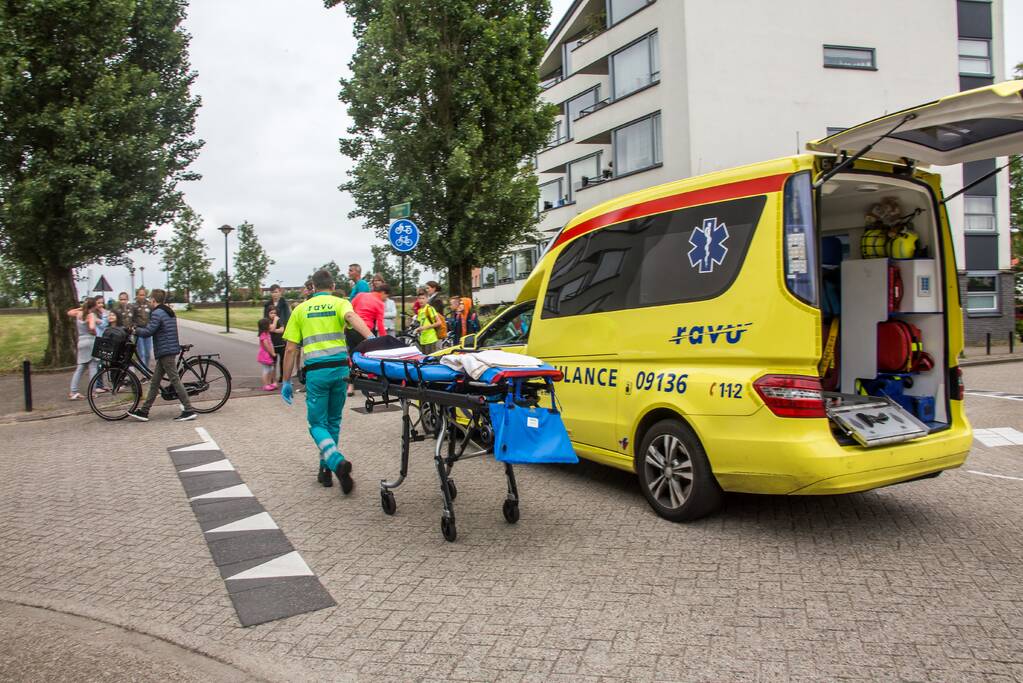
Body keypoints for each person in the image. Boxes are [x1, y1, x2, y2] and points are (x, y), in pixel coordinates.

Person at [280, 269, 373, 493]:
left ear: (312, 287)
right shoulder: (339, 303)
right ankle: (325, 470)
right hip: (341, 370)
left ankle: (335, 461)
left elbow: (291, 348)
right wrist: (372, 338)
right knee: (333, 421)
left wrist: (286, 380)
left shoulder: (300, 309)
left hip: (317, 373)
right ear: (332, 287)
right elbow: (352, 318)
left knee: (317, 425)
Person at [127, 289, 197, 422]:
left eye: (150, 299)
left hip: (166, 351)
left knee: (175, 380)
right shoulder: (167, 311)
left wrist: (135, 330)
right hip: (166, 350)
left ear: (153, 300)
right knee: (155, 382)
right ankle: (144, 411)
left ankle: (189, 410)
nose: (149, 302)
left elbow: (149, 331)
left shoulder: (157, 313)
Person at [348, 281, 387, 396]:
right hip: (365, 331)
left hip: (351, 329)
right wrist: (385, 340)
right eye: (386, 296)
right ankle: (370, 383)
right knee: (369, 356)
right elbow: (380, 324)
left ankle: (351, 386)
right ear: (383, 293)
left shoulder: (360, 295)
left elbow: (350, 308)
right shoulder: (380, 303)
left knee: (352, 356)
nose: (385, 299)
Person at [67, 297, 100, 400]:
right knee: (93, 366)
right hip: (90, 341)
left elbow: (69, 312)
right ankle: (92, 392)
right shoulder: (91, 315)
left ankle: (73, 391)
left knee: (80, 368)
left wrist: (81, 308)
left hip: (81, 341)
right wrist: (94, 332)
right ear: (94, 306)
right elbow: (91, 327)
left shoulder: (79, 314)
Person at [263, 284, 291, 382]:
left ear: (280, 292)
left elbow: (288, 318)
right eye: (273, 292)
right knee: (272, 358)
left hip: (282, 335)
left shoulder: (284, 304)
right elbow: (264, 319)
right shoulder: (267, 305)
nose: (275, 294)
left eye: (276, 292)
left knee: (283, 358)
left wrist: (286, 332)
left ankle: (283, 376)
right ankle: (272, 378)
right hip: (271, 336)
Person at [129, 287, 153, 368]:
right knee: (141, 353)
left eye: (143, 295)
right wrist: (134, 327)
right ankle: (143, 371)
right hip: (139, 332)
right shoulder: (134, 306)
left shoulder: (149, 305)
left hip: (148, 331)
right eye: (140, 295)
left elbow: (153, 316)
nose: (142, 296)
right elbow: (131, 318)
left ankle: (146, 367)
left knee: (148, 353)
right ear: (137, 295)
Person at [415, 288, 443, 353]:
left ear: (427, 299)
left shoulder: (430, 309)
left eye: (423, 298)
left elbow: (439, 322)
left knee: (430, 360)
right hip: (423, 339)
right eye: (419, 298)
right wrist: (418, 329)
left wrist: (425, 327)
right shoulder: (420, 311)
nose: (421, 300)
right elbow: (421, 323)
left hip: (431, 339)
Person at [257, 318, 277, 391]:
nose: (270, 325)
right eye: (269, 324)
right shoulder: (263, 335)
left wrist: (275, 320)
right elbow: (266, 345)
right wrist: (272, 353)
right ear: (266, 326)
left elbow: (273, 326)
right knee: (266, 370)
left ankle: (269, 383)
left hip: (268, 355)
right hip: (265, 355)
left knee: (270, 369)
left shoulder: (267, 333)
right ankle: (265, 385)